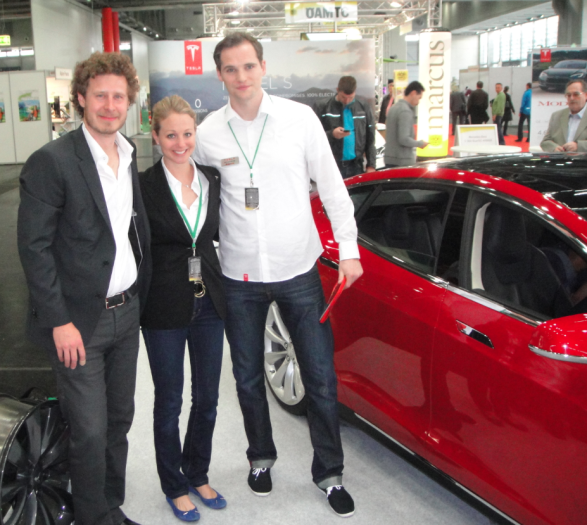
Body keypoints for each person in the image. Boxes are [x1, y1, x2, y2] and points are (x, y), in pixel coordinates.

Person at [193, 32, 363, 518]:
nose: (241, 77)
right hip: (238, 275)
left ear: (263, 67)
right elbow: (194, 194)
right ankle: (260, 457)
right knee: (247, 378)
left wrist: (349, 250)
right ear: (220, 74)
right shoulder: (207, 133)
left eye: (248, 66)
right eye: (230, 69)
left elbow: (332, 187)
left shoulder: (299, 119)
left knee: (321, 378)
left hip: (298, 269)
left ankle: (329, 473)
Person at [17, 52, 151, 525]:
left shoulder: (128, 154)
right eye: (100, 96)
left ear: (129, 102)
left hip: (126, 312)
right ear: (80, 98)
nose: (110, 105)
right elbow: (34, 248)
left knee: (119, 421)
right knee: (90, 430)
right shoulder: (52, 161)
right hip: (78, 323)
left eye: (118, 96)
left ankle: (109, 506)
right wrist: (59, 321)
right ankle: (93, 517)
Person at [140, 96, 227, 521]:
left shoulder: (212, 179)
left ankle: (197, 472)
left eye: (187, 134)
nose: (180, 143)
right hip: (163, 305)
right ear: (156, 137)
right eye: (171, 135)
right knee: (169, 401)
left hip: (210, 301)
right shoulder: (143, 186)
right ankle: (173, 485)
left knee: (207, 397)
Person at [314, 75, 376, 179]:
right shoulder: (323, 107)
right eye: (343, 97)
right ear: (337, 90)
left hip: (356, 166)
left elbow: (370, 138)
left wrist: (371, 165)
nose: (347, 101)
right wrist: (332, 134)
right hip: (332, 165)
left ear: (355, 92)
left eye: (350, 98)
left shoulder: (363, 107)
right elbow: (313, 137)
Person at [384, 80, 429, 167]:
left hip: (390, 158)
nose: (418, 101)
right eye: (419, 97)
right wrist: (420, 144)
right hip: (402, 161)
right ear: (413, 93)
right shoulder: (405, 111)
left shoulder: (393, 108)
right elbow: (404, 139)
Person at [541, 80, 587, 152]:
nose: (571, 98)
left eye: (576, 94)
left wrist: (578, 146)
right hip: (561, 158)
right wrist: (554, 148)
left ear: (585, 95)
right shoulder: (556, 116)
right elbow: (545, 142)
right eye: (568, 95)